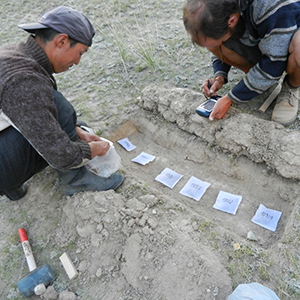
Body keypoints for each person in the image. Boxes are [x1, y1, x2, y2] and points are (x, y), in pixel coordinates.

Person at [0, 6, 124, 201]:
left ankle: (11, 185)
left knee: (67, 122)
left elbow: (27, 113)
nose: (77, 62)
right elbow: (59, 154)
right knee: (60, 109)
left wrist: (77, 131)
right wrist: (91, 150)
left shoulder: (15, 55)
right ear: (62, 41)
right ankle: (76, 181)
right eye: (81, 53)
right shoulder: (23, 81)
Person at [183, 0, 300, 125]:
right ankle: (257, 79)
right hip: (266, 36)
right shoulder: (219, 10)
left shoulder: (270, 7)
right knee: (213, 40)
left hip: (290, 32)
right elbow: (214, 38)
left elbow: (273, 65)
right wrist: (220, 75)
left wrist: (229, 99)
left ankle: (291, 86)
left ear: (231, 21)